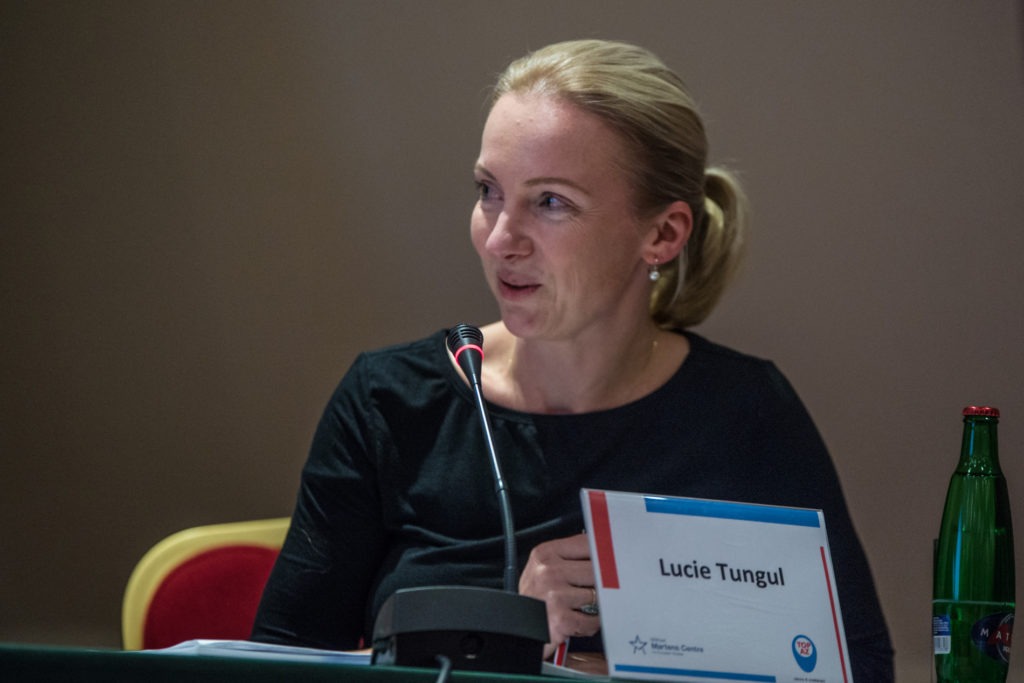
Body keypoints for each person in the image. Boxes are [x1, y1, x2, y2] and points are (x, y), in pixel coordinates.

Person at [251, 39, 894, 678]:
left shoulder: (745, 414)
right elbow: (274, 668)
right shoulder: (388, 402)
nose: (500, 239)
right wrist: (497, 635)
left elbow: (858, 667)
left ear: (662, 234)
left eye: (551, 202)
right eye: (488, 190)